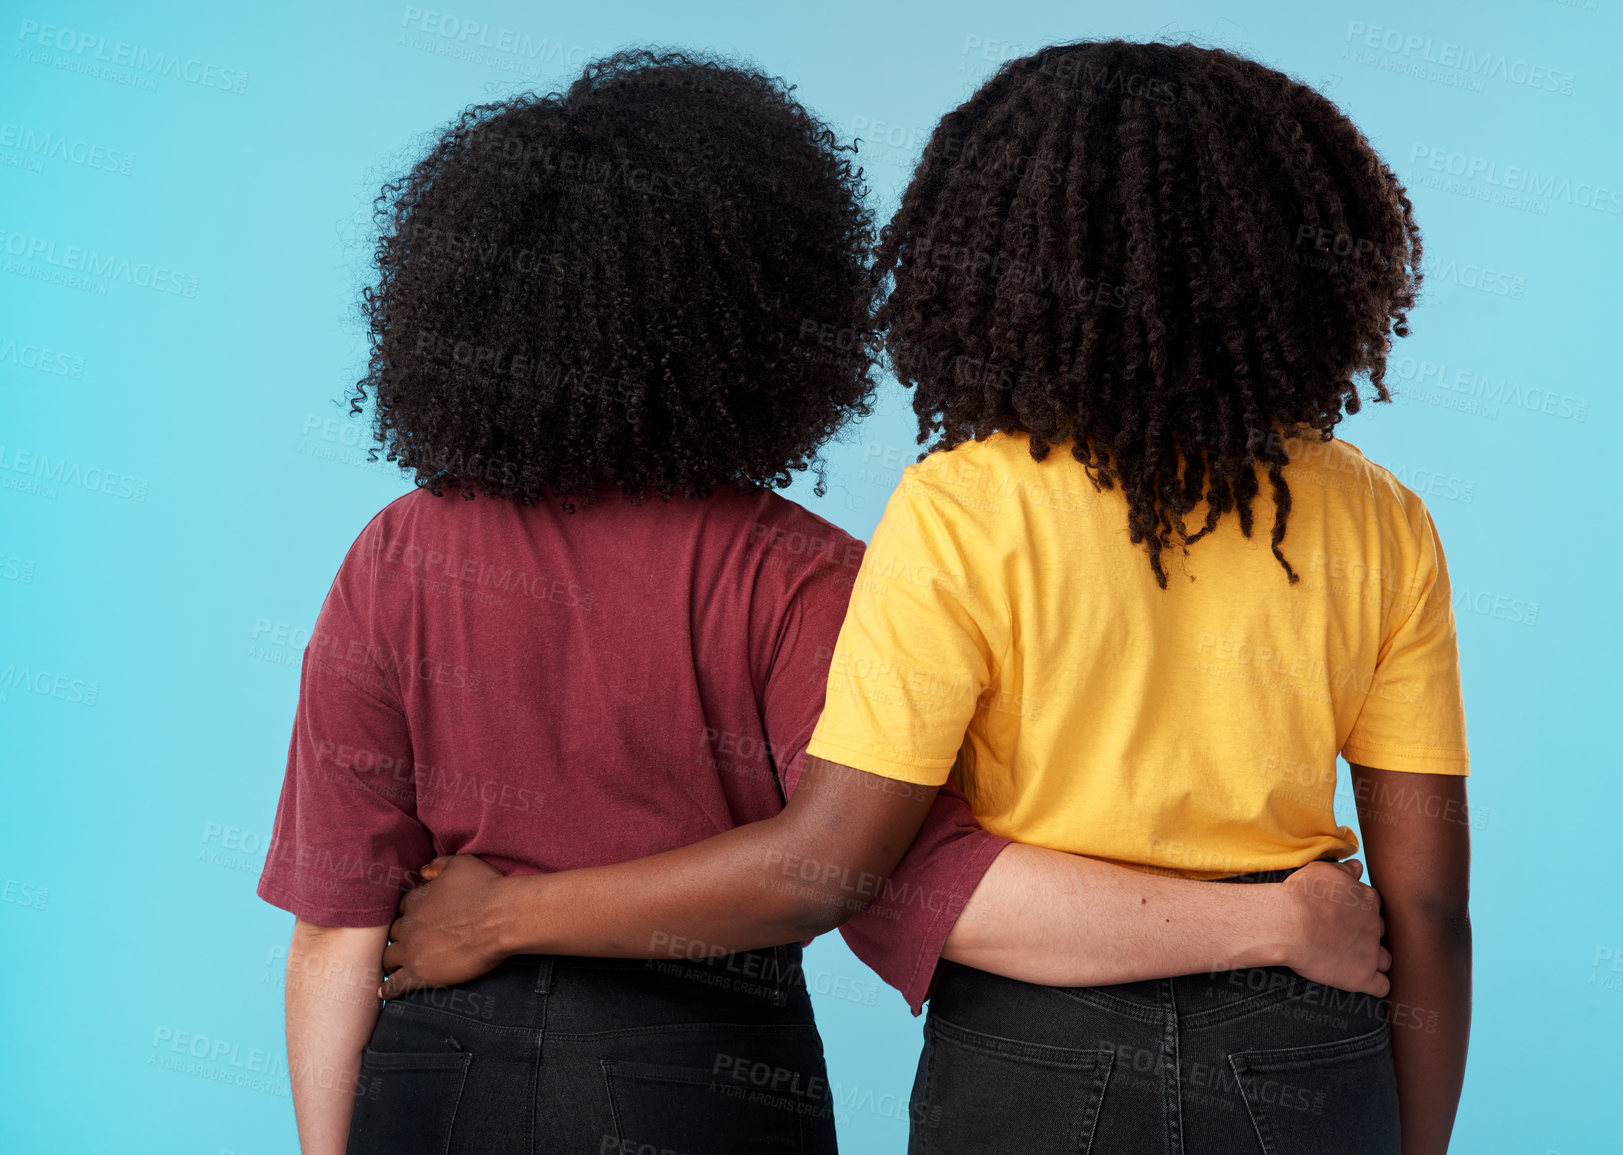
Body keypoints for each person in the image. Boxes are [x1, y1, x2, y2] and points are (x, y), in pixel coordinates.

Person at [259, 46, 1390, 1155]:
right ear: (775, 307)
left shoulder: (395, 554)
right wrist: (1269, 920)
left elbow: (336, 922)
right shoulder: (802, 575)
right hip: (700, 1080)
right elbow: (892, 877)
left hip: (432, 1075)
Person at [799, 40, 1473, 1155]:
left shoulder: (960, 506)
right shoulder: (1379, 517)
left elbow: (845, 850)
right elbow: (1432, 905)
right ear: (1295, 263)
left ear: (993, 251)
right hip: (1306, 1032)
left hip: (1033, 1040)